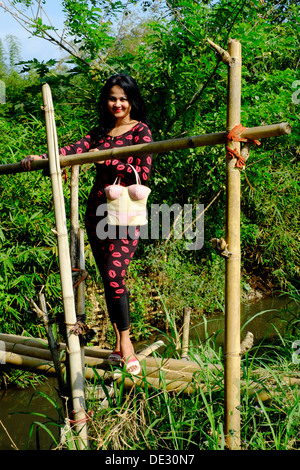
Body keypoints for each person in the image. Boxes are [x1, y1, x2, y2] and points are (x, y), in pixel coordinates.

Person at [21, 74, 153, 375]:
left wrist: (104, 160)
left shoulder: (141, 132)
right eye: (112, 98)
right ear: (106, 102)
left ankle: (127, 344)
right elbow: (71, 149)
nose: (117, 104)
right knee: (109, 279)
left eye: (123, 98)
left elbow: (142, 173)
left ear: (132, 100)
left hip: (126, 212)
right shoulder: (100, 132)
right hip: (98, 212)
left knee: (113, 273)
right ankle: (119, 347)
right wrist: (43, 157)